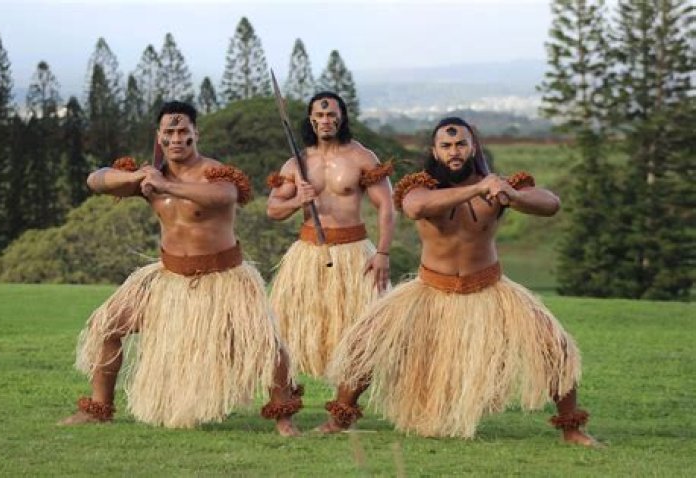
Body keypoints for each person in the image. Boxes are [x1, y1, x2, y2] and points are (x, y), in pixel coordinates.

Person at [320, 117, 596, 446]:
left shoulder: (499, 186)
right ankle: (339, 420)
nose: (454, 151)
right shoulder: (419, 187)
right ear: (435, 151)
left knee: (555, 346)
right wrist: (477, 190)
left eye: (461, 144)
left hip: (490, 288)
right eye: (447, 146)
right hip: (429, 289)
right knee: (363, 344)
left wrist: (511, 194)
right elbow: (416, 208)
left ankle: (572, 430)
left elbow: (551, 204)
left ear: (473, 147)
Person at [59, 101, 301, 436]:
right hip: (168, 279)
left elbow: (224, 197)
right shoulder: (149, 176)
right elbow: (95, 180)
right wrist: (138, 176)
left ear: (195, 133)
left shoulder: (214, 173)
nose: (176, 138)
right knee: (107, 326)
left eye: (183, 130)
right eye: (169, 131)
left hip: (223, 279)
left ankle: (283, 417)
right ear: (159, 136)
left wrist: (166, 186)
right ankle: (99, 409)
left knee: (264, 344)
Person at [266, 91, 395, 381]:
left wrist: (383, 252)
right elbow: (273, 209)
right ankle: (288, 394)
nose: (325, 120)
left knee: (362, 330)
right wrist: (297, 200)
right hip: (308, 254)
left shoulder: (361, 157)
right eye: (320, 115)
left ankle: (346, 401)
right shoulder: (296, 163)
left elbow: (387, 206)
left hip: (354, 252)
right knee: (295, 328)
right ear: (311, 120)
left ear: (342, 118)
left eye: (331, 115)